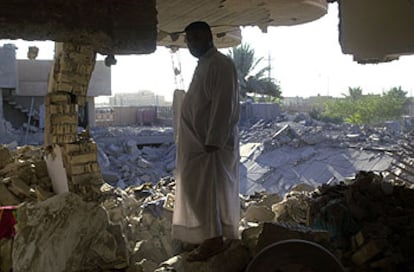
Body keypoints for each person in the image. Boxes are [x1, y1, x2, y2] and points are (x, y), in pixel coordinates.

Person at [171, 21, 240, 262]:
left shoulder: (221, 65)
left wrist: (214, 139)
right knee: (194, 191)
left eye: (196, 38)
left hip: (209, 146)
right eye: (189, 40)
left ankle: (213, 241)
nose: (192, 44)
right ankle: (204, 236)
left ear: (209, 38)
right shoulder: (204, 65)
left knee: (208, 193)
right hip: (195, 145)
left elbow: (224, 104)